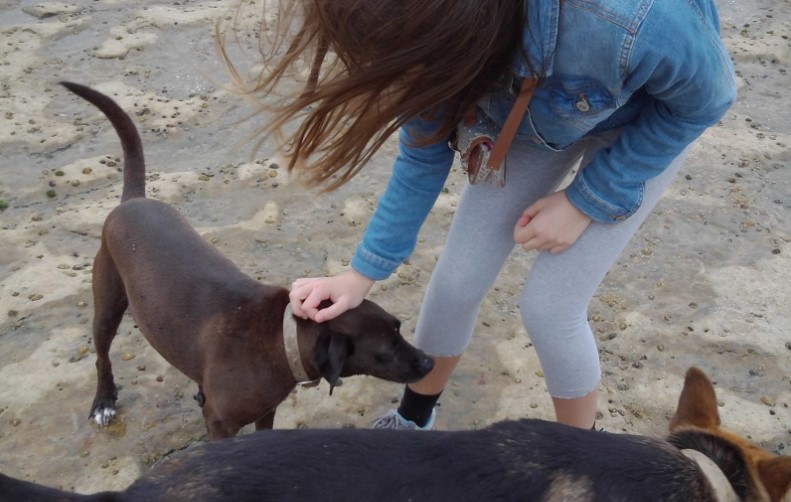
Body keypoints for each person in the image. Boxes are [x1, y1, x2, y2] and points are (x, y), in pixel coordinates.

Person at [223, 0, 736, 430]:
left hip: (645, 124)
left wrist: (588, 200)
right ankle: (414, 416)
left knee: (551, 308)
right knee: (457, 279)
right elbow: (422, 153)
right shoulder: (417, 30)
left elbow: (707, 100)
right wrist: (362, 272)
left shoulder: (627, 17)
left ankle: (581, 451)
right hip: (525, 110)